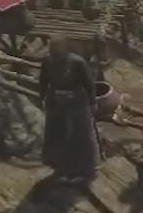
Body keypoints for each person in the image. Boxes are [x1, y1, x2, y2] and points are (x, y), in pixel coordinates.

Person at [37, 37, 99, 184]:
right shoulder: (48, 61)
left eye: (58, 50)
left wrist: (92, 102)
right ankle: (61, 166)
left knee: (80, 134)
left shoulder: (77, 62)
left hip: (77, 101)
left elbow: (89, 84)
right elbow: (43, 80)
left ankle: (86, 170)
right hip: (56, 101)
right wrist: (42, 97)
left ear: (65, 50)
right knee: (58, 134)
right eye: (53, 50)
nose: (55, 53)